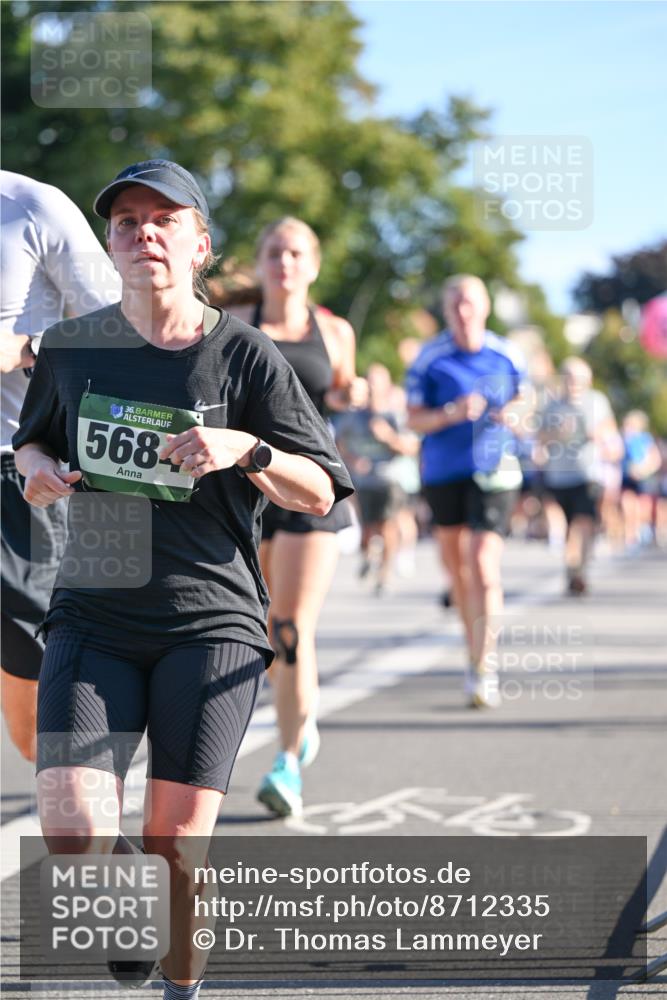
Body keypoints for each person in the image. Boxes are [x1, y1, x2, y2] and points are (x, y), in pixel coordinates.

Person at [13, 161, 353, 999]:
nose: (144, 233)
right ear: (108, 244)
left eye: (165, 220)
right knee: (69, 824)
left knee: (174, 845)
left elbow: (323, 486)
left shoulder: (242, 354)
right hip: (94, 604)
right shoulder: (72, 345)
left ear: (200, 245)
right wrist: (37, 468)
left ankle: (179, 986)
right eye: (127, 222)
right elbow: (33, 438)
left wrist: (250, 449)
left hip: (208, 619)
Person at [223, 217, 363, 818]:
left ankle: (286, 764)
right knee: (260, 625)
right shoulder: (232, 325)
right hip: (246, 487)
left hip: (306, 490)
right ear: (259, 262)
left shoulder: (333, 331)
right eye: (275, 251)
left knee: (289, 626)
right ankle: (298, 724)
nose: (284, 262)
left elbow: (334, 395)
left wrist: (350, 394)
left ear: (314, 264)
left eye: (296, 252)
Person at [1, 170, 120, 761]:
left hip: (17, 475)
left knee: (37, 724)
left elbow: (122, 329)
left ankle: (107, 841)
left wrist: (25, 349)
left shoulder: (32, 208)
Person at [406, 274, 525, 709]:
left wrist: (514, 413)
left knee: (483, 562)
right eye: (455, 303)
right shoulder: (430, 358)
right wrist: (451, 413)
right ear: (445, 310)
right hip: (443, 471)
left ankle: (483, 665)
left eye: (470, 302)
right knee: (456, 568)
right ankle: (471, 642)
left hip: (495, 469)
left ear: (486, 306)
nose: (463, 311)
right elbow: (414, 419)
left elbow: (527, 400)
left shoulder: (507, 353)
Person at [336, 363, 419, 594]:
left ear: (386, 386)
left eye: (377, 383)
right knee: (367, 529)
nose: (372, 389)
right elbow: (339, 445)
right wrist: (353, 462)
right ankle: (368, 556)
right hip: (364, 481)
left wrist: (389, 437)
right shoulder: (352, 416)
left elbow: (411, 446)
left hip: (389, 479)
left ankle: (384, 574)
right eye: (369, 383)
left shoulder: (395, 416)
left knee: (388, 526)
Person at [538, 357, 619, 594]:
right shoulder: (552, 406)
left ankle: (579, 570)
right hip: (559, 475)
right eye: (570, 378)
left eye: (579, 378)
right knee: (567, 527)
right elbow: (540, 437)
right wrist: (557, 433)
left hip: (588, 472)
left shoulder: (597, 401)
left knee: (584, 522)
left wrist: (603, 439)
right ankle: (573, 567)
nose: (574, 383)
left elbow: (610, 431)